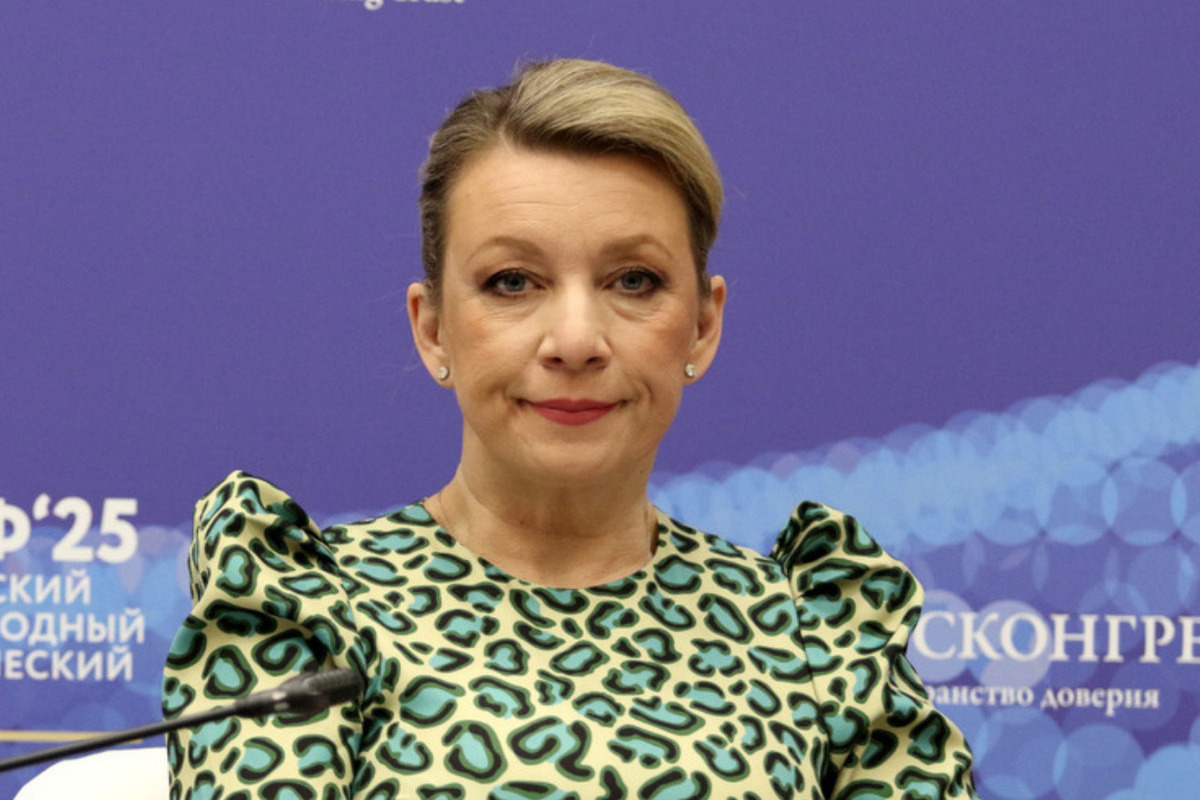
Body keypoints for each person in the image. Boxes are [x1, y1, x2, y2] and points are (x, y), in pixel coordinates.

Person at [162, 58, 979, 799]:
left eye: (634, 281)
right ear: (433, 329)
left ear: (702, 326)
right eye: (513, 282)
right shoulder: (308, 615)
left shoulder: (816, 634)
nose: (577, 341)